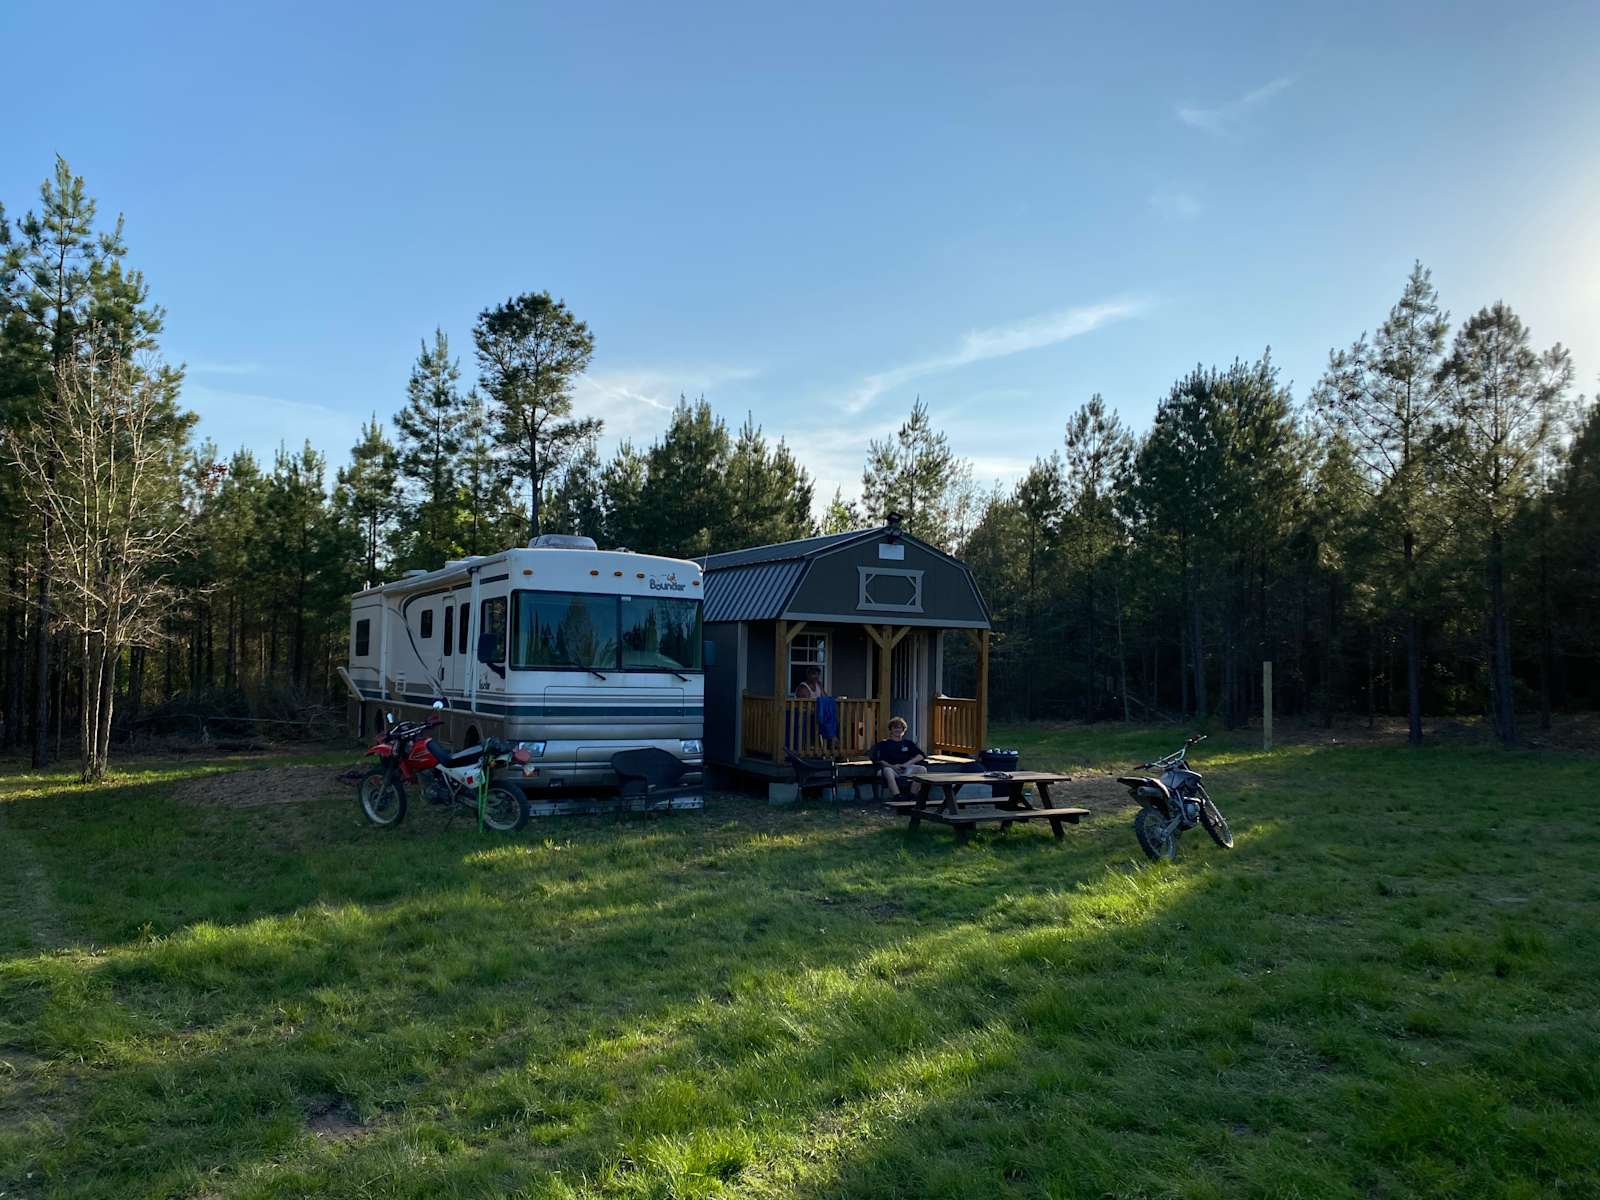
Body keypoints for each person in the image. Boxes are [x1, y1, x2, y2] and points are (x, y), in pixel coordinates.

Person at [872, 716, 927, 798]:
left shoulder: (908, 743)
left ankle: (912, 795)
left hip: (905, 769)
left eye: (899, 728)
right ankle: (897, 796)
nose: (897, 730)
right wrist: (893, 766)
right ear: (890, 730)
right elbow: (879, 760)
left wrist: (907, 764)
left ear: (903, 730)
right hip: (890, 769)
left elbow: (921, 755)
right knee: (887, 770)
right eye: (895, 728)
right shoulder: (884, 744)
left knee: (922, 769)